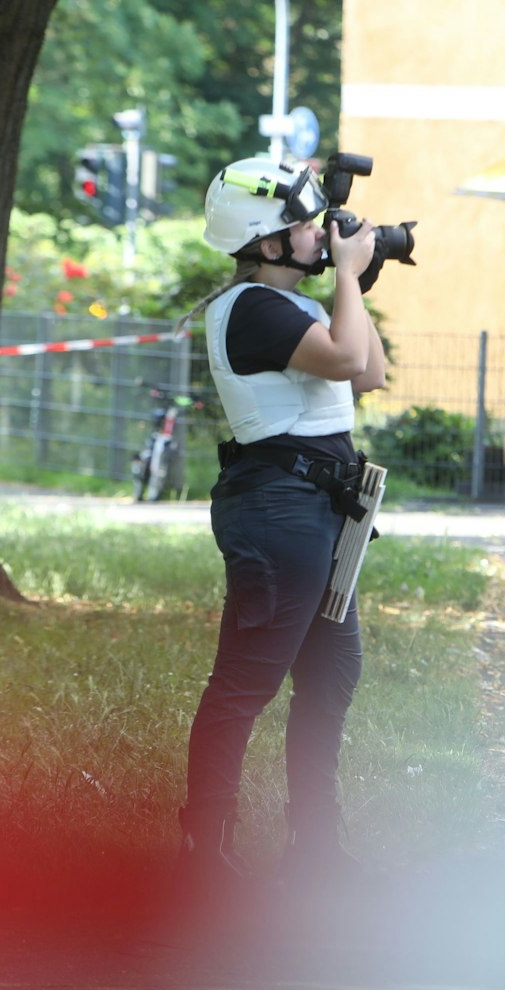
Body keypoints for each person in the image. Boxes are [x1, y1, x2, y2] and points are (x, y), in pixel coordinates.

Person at [172, 155, 387, 893]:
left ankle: (316, 845)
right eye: (300, 225)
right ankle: (206, 847)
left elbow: (370, 371)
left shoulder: (291, 304)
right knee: (246, 681)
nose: (315, 233)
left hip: (318, 511)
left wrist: (356, 278)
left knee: (331, 673)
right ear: (267, 243)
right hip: (278, 510)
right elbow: (344, 359)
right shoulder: (254, 307)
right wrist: (351, 277)